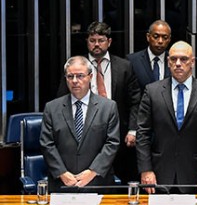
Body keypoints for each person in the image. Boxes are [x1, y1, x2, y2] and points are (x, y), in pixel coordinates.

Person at [57, 21, 141, 183]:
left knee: (118, 182)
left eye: (101, 40)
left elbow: (135, 101)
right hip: (84, 135)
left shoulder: (124, 67)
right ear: (87, 42)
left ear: (109, 42)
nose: (96, 44)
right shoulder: (76, 68)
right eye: (92, 40)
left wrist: (133, 129)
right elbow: (62, 99)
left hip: (119, 135)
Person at [136, 41, 197, 194]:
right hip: (158, 174)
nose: (178, 63)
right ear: (168, 62)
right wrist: (145, 169)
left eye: (183, 59)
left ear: (192, 62)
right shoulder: (152, 91)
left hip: (195, 175)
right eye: (173, 59)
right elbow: (142, 134)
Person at [41, 56, 120, 192]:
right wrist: (62, 173)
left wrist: (92, 172)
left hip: (97, 182)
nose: (75, 81)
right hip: (62, 183)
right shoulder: (52, 108)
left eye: (80, 76)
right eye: (70, 76)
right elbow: (47, 143)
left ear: (90, 77)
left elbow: (112, 143)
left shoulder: (108, 107)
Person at [127, 20, 172, 90]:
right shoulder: (132, 61)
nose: (160, 41)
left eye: (165, 37)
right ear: (148, 37)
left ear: (169, 39)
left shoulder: (174, 60)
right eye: (156, 37)